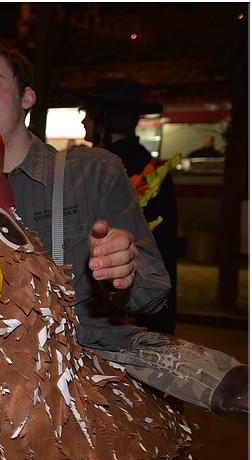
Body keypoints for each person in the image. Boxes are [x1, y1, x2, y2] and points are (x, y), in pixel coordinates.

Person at [0, 38, 247, 417]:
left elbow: (154, 290)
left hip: (84, 371)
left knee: (214, 384)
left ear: (28, 97)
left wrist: (123, 272)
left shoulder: (91, 172)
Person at [80, 75, 178, 334]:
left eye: (88, 114)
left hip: (116, 313)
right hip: (140, 311)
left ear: (105, 119)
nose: (82, 121)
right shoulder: (154, 167)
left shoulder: (102, 169)